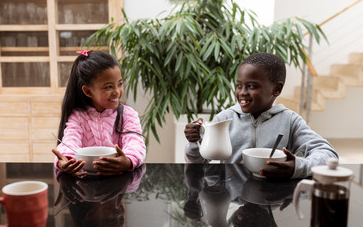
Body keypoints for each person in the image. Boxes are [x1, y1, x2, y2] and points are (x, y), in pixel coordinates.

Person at [184, 53, 338, 179]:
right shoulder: (224, 119)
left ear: (276, 89)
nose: (242, 92)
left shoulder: (290, 120)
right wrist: (194, 142)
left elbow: (328, 155)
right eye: (239, 86)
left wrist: (297, 167)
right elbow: (196, 163)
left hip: (272, 199)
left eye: (251, 86)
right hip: (233, 202)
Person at [52, 50, 146, 176]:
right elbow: (70, 141)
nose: (117, 92)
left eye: (120, 84)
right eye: (108, 87)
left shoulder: (128, 115)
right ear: (88, 91)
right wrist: (66, 160)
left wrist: (127, 161)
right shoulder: (78, 117)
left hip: (118, 184)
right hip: (86, 185)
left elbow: (135, 143)